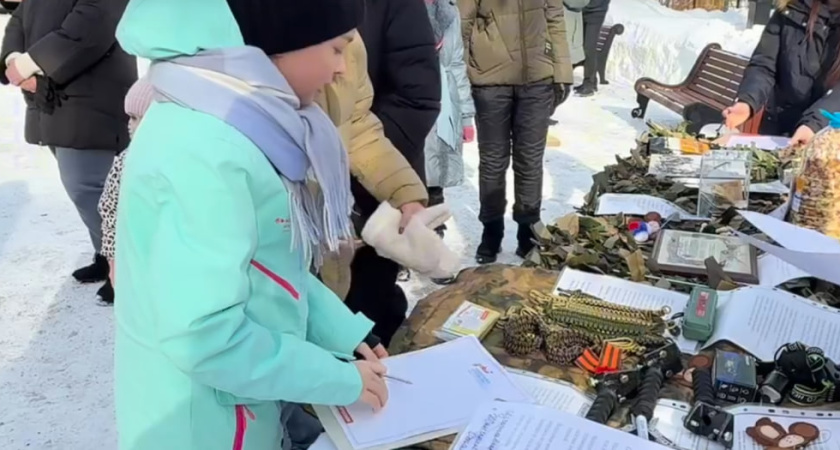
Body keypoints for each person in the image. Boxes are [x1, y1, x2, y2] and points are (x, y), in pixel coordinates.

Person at [113, 0, 389, 448]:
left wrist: (341, 332)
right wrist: (338, 379)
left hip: (234, 410)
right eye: (336, 49)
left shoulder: (236, 123)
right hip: (204, 427)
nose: (341, 69)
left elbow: (269, 269)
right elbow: (205, 338)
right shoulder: (206, 152)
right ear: (281, 44)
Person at [0, 0, 137, 303]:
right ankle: (106, 255)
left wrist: (32, 63)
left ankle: (127, 268)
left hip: (90, 91)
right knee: (85, 187)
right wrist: (13, 58)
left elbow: (93, 22)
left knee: (92, 187)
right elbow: (21, 15)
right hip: (50, 94)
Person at [347, 0, 441, 346]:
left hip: (373, 195)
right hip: (295, 212)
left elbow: (416, 98)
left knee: (368, 314)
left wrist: (359, 171)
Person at [315, 32, 430, 300]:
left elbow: (356, 127)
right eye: (334, 50)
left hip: (332, 255)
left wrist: (404, 192)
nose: (341, 67)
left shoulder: (350, 42)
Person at [460, 0, 573, 264]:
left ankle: (528, 229)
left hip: (537, 79)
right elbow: (462, 23)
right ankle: (491, 229)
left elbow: (555, 19)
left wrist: (562, 72)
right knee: (493, 161)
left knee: (530, 160)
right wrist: (463, 73)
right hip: (489, 80)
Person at [723, 0, 840, 145]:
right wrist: (747, 102)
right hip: (778, 130)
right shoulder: (792, 7)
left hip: (828, 139)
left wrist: (813, 125)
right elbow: (764, 65)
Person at [423, 0, 475, 285]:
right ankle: (397, 256)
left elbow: (456, 64)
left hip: (442, 105)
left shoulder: (448, 10)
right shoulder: (392, 7)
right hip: (403, 103)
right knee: (402, 181)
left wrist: (465, 115)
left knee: (435, 183)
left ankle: (434, 253)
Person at [97, 76, 155, 303]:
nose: (132, 125)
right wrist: (113, 259)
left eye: (140, 118)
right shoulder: (126, 160)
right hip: (134, 253)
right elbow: (109, 208)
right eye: (130, 117)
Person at [576, 0, 610, 97]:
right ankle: (592, 80)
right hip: (582, 9)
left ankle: (589, 83)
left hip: (596, 11)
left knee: (589, 47)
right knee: (583, 45)